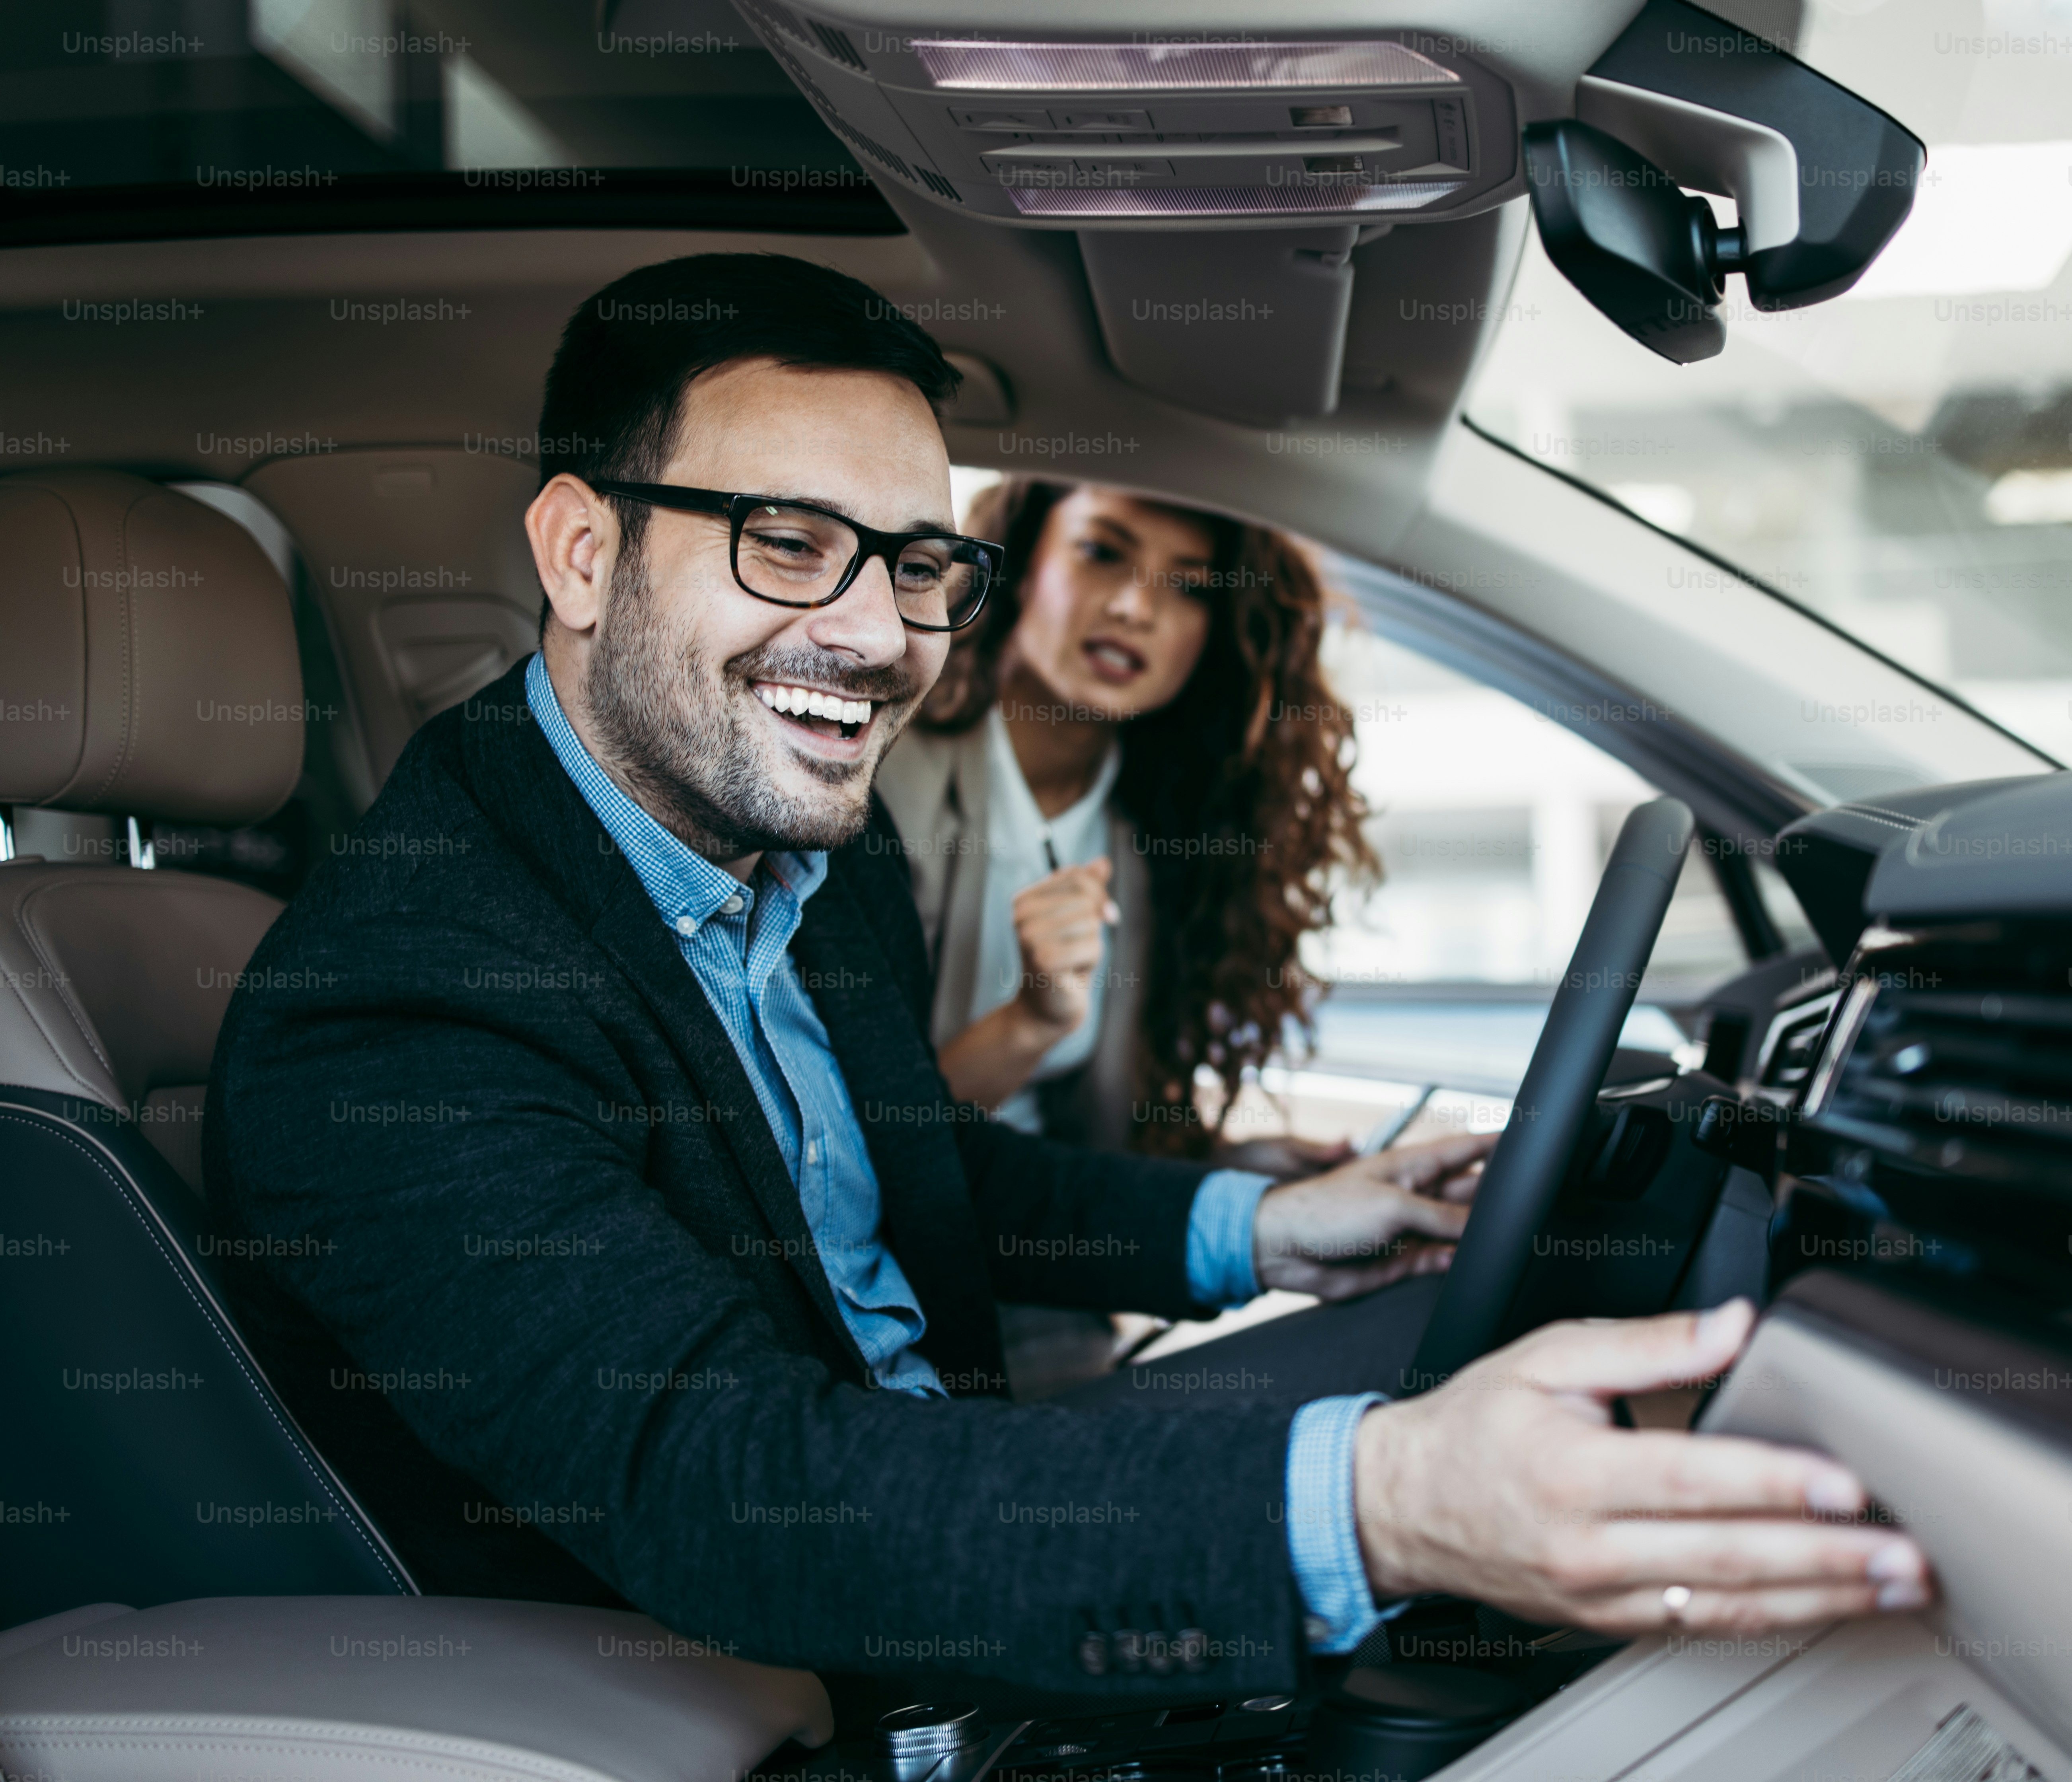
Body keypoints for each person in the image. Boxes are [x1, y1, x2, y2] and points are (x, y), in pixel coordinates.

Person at [204, 252, 1930, 1706]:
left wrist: (1264, 1226)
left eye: (914, 563)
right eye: (787, 542)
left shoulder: (804, 845)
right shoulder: (397, 1006)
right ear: (583, 556)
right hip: (781, 1673)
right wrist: (1388, 1504)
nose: (880, 640)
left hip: (947, 1513)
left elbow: (935, 1179)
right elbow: (731, 1491)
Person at [879, 478, 1369, 1169]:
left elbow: (1095, 1142)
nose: (1137, 606)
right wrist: (1029, 1024)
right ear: (1019, 566)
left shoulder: (1158, 837)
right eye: (1102, 552)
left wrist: (1238, 1173)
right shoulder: (883, 777)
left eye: (1190, 586)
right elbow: (856, 1140)